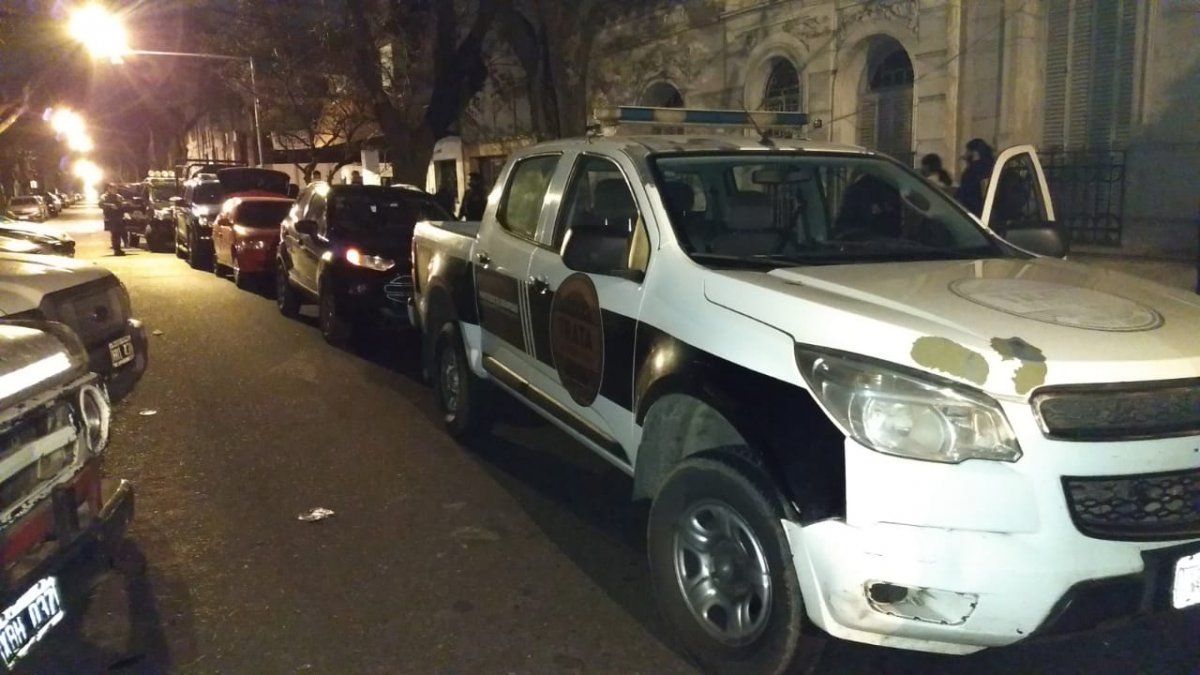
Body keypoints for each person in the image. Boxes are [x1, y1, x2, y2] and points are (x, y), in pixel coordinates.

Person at [955, 138, 995, 217]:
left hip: (974, 211)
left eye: (967, 151)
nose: (965, 154)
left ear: (975, 153)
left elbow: (965, 193)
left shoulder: (973, 171)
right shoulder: (992, 166)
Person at [99, 183, 127, 256]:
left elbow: (123, 204)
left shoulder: (118, 196)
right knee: (115, 234)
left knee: (120, 233)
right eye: (113, 188)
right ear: (109, 189)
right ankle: (117, 250)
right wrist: (110, 205)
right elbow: (100, 204)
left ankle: (118, 249)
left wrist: (122, 205)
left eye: (116, 188)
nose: (115, 190)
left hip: (119, 217)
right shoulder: (104, 197)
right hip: (110, 218)